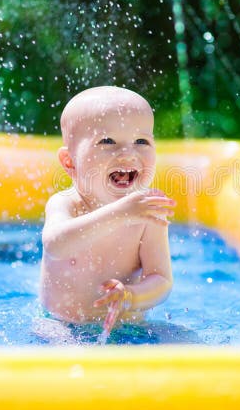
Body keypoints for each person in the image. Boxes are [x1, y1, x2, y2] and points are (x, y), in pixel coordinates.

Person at [40, 86, 176, 335]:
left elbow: (162, 280)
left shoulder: (148, 214)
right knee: (61, 349)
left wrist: (131, 297)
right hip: (62, 325)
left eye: (141, 141)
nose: (128, 153)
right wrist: (120, 213)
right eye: (107, 141)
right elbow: (55, 245)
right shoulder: (66, 203)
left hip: (129, 326)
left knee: (184, 342)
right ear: (69, 161)